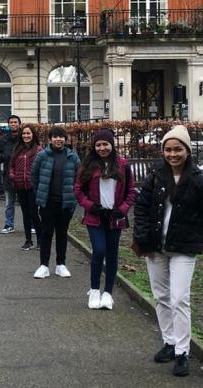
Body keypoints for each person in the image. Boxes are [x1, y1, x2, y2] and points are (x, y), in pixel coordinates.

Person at [133, 125, 203, 377]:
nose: (172, 154)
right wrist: (142, 237)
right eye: (168, 150)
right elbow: (141, 208)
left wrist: (196, 237)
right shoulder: (155, 177)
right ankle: (169, 342)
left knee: (179, 298)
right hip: (156, 247)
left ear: (187, 151)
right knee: (161, 296)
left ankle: (183, 351)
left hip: (183, 248)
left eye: (177, 149)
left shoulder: (199, 181)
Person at [74, 128, 136, 311]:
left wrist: (123, 209)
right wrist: (89, 206)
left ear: (112, 145)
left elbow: (131, 191)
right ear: (94, 146)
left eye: (105, 144)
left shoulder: (122, 165)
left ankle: (107, 293)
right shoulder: (88, 166)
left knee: (112, 254)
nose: (102, 148)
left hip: (115, 217)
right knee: (99, 251)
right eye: (99, 145)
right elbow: (78, 190)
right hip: (95, 216)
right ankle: (94, 289)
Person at [31, 126, 81, 279]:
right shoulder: (42, 155)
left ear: (65, 139)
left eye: (61, 137)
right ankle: (43, 265)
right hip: (47, 202)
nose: (58, 139)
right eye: (55, 137)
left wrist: (73, 198)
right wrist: (39, 194)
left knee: (62, 233)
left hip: (65, 202)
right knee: (46, 233)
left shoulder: (73, 157)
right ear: (50, 139)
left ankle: (61, 264)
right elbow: (34, 176)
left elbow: (79, 178)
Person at [8, 124, 41, 250]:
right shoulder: (18, 149)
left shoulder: (38, 150)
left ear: (33, 135)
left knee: (34, 213)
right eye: (24, 134)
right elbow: (12, 165)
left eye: (28, 133)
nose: (26, 136)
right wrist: (13, 176)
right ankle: (28, 240)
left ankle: (40, 240)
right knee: (25, 214)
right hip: (20, 186)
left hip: (33, 187)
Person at [0, 115, 22, 234]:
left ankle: (31, 225)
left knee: (26, 202)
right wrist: (6, 157)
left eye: (15, 122)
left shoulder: (24, 137)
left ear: (19, 124)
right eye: (11, 122)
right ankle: (9, 224)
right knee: (9, 202)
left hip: (23, 175)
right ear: (9, 124)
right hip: (8, 175)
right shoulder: (4, 139)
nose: (13, 124)